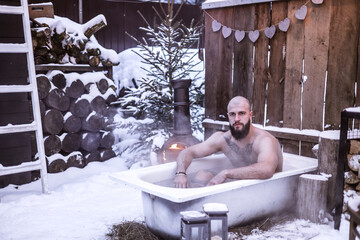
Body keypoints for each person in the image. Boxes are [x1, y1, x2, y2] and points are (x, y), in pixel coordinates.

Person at [173, 96, 283, 188]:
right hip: (238, 185)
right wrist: (180, 173)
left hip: (265, 188)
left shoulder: (264, 140)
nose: (237, 119)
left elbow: (266, 170)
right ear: (228, 116)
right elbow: (187, 152)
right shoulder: (223, 139)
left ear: (250, 115)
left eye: (242, 113)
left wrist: (226, 173)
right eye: (232, 114)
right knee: (202, 175)